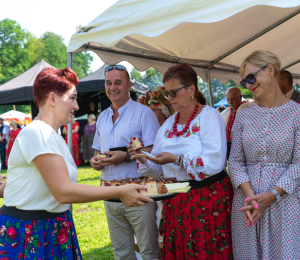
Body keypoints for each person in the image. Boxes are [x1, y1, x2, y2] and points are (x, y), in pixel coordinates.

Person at [0, 67, 152, 260]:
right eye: (72, 98)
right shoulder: (38, 133)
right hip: (31, 231)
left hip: (51, 225)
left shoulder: (52, 134)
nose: (77, 106)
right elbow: (63, 191)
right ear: (53, 99)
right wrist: (120, 191)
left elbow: (26, 181)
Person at [129, 64, 234, 259]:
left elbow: (215, 161)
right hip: (176, 201)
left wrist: (177, 159)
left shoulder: (209, 116)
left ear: (191, 89)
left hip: (207, 199)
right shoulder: (169, 125)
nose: (169, 98)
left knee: (207, 251)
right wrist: (143, 157)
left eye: (173, 92)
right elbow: (158, 170)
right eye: (167, 93)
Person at [229, 50, 300, 259]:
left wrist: (272, 195)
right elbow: (234, 161)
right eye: (244, 81)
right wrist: (252, 197)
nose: (248, 85)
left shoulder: (297, 114)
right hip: (248, 205)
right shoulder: (243, 115)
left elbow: (299, 164)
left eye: (251, 78)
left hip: (284, 203)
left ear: (270, 70)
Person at [90, 64, 161, 260]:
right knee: (121, 253)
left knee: (148, 252)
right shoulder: (103, 117)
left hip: (139, 192)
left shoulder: (143, 113)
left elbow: (155, 151)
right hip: (110, 193)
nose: (113, 87)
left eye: (118, 83)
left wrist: (128, 156)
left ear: (129, 85)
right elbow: (97, 149)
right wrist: (95, 160)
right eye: (108, 83)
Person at [221, 87, 243, 159]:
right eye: (228, 100)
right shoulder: (224, 113)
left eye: (233, 99)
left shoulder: (247, 111)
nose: (230, 102)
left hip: (243, 150)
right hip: (228, 149)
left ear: (240, 97)